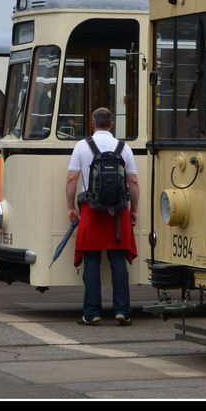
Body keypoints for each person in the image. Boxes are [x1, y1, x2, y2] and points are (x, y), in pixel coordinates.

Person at [66, 107, 139, 326]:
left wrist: (70, 207)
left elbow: (72, 179)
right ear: (112, 124)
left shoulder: (82, 146)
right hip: (118, 213)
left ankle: (92, 313)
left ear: (92, 122)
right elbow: (133, 182)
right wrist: (133, 210)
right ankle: (122, 312)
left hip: (91, 211)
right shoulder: (123, 147)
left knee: (91, 262)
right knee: (118, 262)